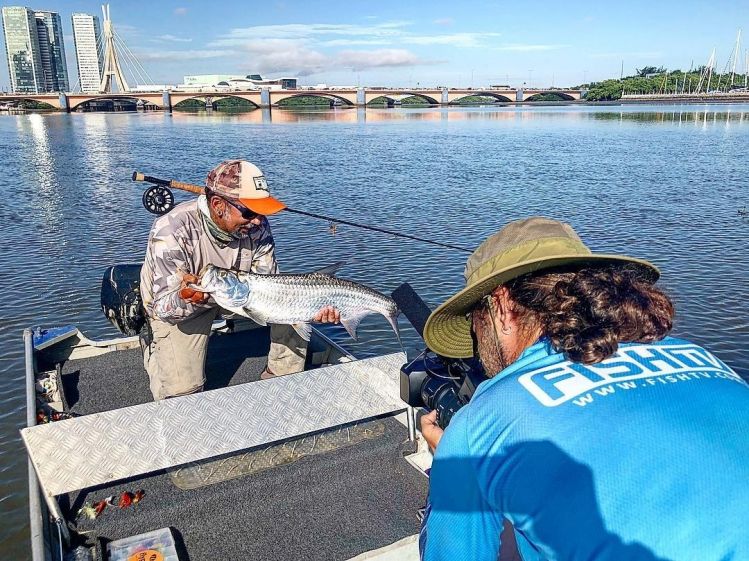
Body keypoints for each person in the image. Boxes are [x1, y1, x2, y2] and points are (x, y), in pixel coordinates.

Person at [419, 217, 749, 561]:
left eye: (475, 324)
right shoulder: (699, 355)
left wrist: (453, 465)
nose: (477, 341)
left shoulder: (481, 424)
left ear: (501, 307)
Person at [140, 159, 340, 400]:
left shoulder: (257, 226)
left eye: (261, 211)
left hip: (238, 296)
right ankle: (152, 345)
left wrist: (312, 307)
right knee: (183, 395)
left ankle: (282, 378)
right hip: (177, 305)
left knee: (292, 307)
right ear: (218, 204)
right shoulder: (171, 230)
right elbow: (164, 309)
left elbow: (270, 285)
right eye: (249, 212)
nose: (257, 220)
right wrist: (187, 299)